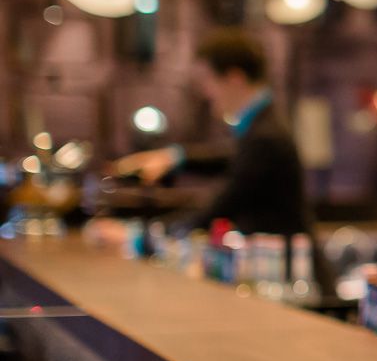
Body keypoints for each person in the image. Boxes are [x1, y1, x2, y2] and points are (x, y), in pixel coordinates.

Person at [115, 28, 314, 238]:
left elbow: (223, 205)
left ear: (234, 78)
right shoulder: (263, 126)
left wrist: (141, 235)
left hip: (288, 266)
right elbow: (232, 158)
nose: (205, 92)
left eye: (208, 80)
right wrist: (174, 157)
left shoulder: (265, 137)